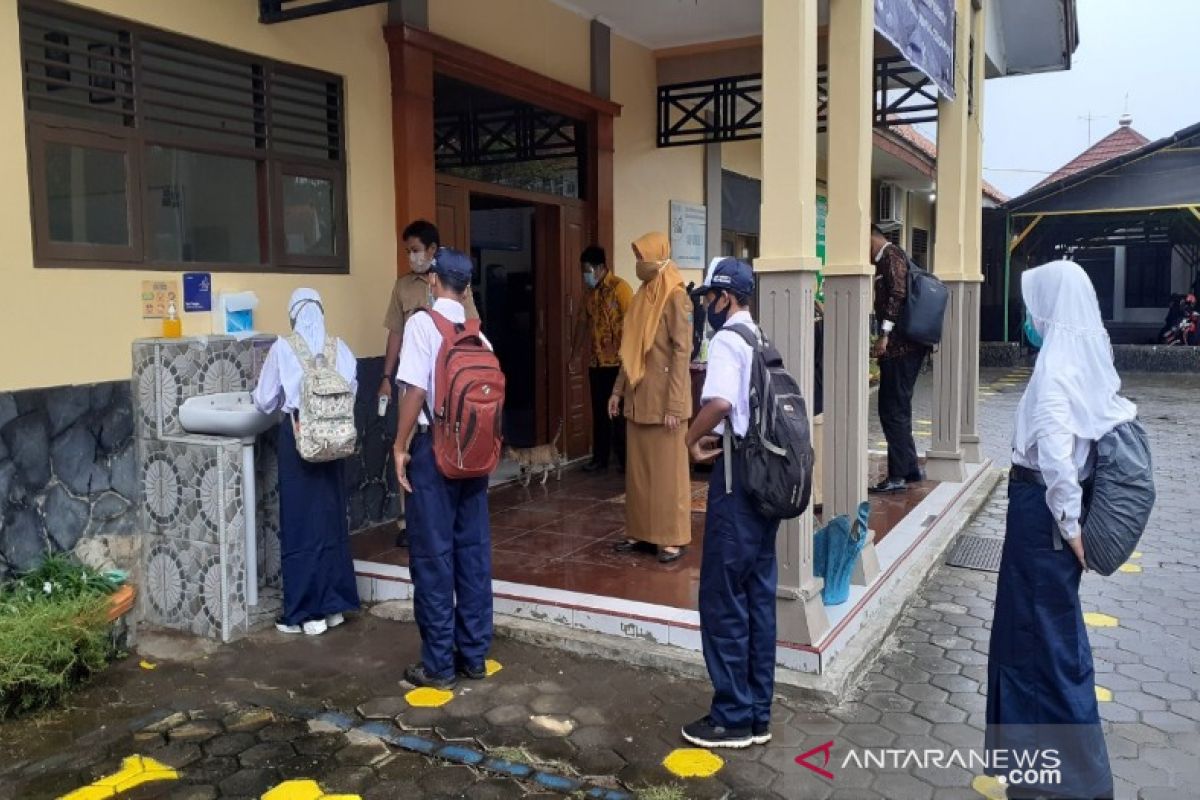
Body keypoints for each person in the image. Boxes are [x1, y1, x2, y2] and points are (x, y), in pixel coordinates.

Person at [985, 260, 1133, 800]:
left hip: (1039, 519)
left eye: (1033, 306)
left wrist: (1070, 527)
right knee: (1047, 641)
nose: (1029, 317)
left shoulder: (1053, 371)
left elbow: (1056, 459)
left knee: (1038, 643)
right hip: (1046, 522)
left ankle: (1064, 780)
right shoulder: (1087, 361)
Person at [682, 258, 777, 749]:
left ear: (724, 298)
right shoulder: (761, 339)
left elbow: (717, 403)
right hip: (766, 486)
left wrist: (689, 438)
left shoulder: (726, 341)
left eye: (709, 299)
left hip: (736, 484)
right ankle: (758, 712)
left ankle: (731, 716)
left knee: (723, 599)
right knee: (758, 598)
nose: (707, 308)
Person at [393, 248, 494, 690]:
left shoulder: (422, 324)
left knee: (434, 559)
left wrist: (399, 447)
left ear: (434, 281)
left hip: (434, 454)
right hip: (475, 458)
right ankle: (473, 655)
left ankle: (437, 665)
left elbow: (415, 390)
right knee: (472, 555)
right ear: (467, 287)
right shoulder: (479, 337)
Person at [253, 289, 360, 637]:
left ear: (294, 315)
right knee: (331, 520)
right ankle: (335, 606)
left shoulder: (284, 348)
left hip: (300, 442)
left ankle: (306, 613)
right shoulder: (340, 348)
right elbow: (352, 392)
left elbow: (265, 401)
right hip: (337, 444)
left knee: (300, 524)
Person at [379, 220, 479, 547]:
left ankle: (439, 517)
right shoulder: (402, 287)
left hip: (447, 387)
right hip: (412, 382)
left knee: (442, 448)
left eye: (416, 250)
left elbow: (472, 329)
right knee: (407, 446)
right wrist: (385, 377)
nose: (411, 256)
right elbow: (395, 332)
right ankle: (410, 519)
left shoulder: (456, 286)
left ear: (433, 252)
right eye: (408, 251)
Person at [607, 232, 692, 564]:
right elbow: (629, 352)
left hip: (664, 404)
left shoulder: (676, 297)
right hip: (638, 400)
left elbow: (682, 353)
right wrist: (617, 391)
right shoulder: (644, 296)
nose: (639, 264)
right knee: (639, 475)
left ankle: (671, 538)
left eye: (643, 256)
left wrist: (674, 404)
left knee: (668, 477)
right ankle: (640, 531)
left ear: (659, 257)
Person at [868, 223, 929, 494]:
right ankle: (910, 468)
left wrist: (884, 335)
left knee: (891, 410)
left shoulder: (891, 255)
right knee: (899, 409)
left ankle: (898, 475)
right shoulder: (891, 257)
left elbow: (897, 294)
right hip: (906, 348)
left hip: (901, 350)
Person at [571, 245, 633, 473]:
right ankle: (600, 459)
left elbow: (632, 327)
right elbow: (582, 323)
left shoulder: (621, 289)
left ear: (599, 268)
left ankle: (625, 462)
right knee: (599, 413)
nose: (584, 275)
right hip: (596, 363)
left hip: (618, 364)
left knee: (618, 415)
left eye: (587, 270)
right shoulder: (589, 293)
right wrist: (574, 354)